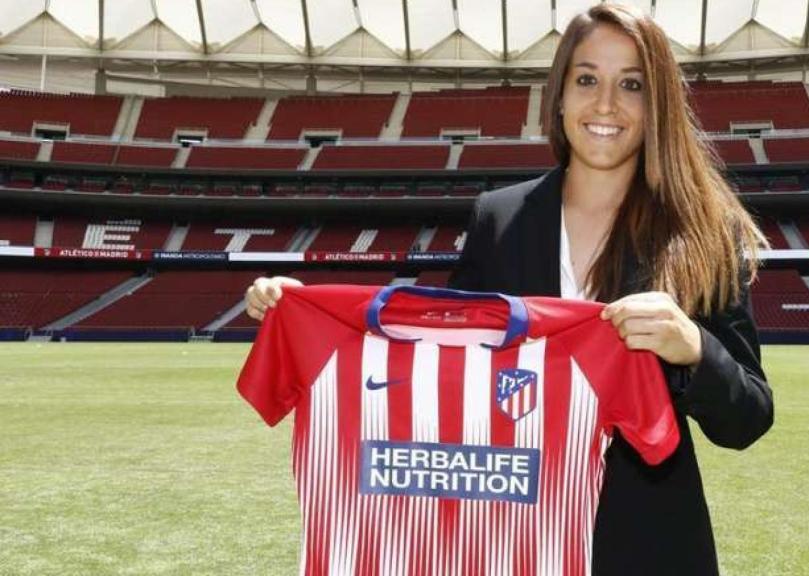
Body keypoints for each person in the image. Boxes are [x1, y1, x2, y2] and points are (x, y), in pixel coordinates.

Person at [244, 4, 773, 574]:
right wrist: (303, 310)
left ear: (657, 103)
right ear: (560, 95)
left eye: (632, 85)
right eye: (587, 79)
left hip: (646, 545)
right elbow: (442, 361)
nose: (605, 104)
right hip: (512, 540)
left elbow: (748, 417)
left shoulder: (703, 231)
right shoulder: (499, 218)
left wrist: (694, 349)